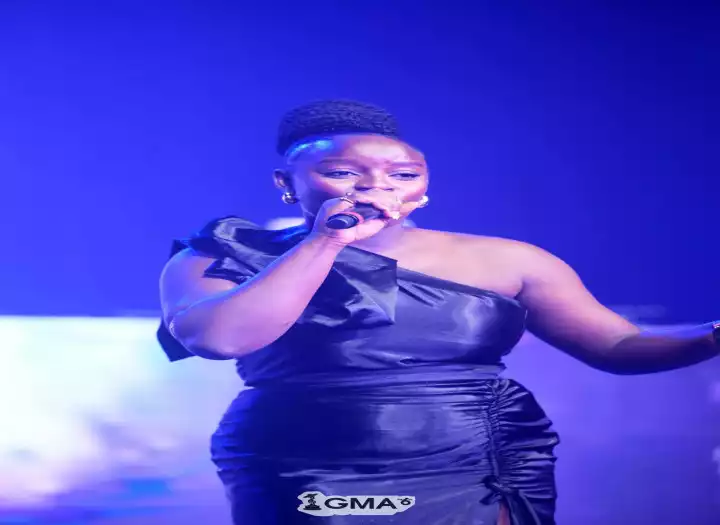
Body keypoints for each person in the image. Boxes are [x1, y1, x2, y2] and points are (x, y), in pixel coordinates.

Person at [157, 100, 720, 525]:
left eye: (403, 175)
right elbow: (220, 339)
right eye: (345, 173)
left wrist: (713, 334)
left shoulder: (506, 259)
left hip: (475, 458)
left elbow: (617, 347)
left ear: (424, 185)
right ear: (287, 183)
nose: (376, 186)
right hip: (304, 458)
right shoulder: (223, 255)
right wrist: (326, 241)